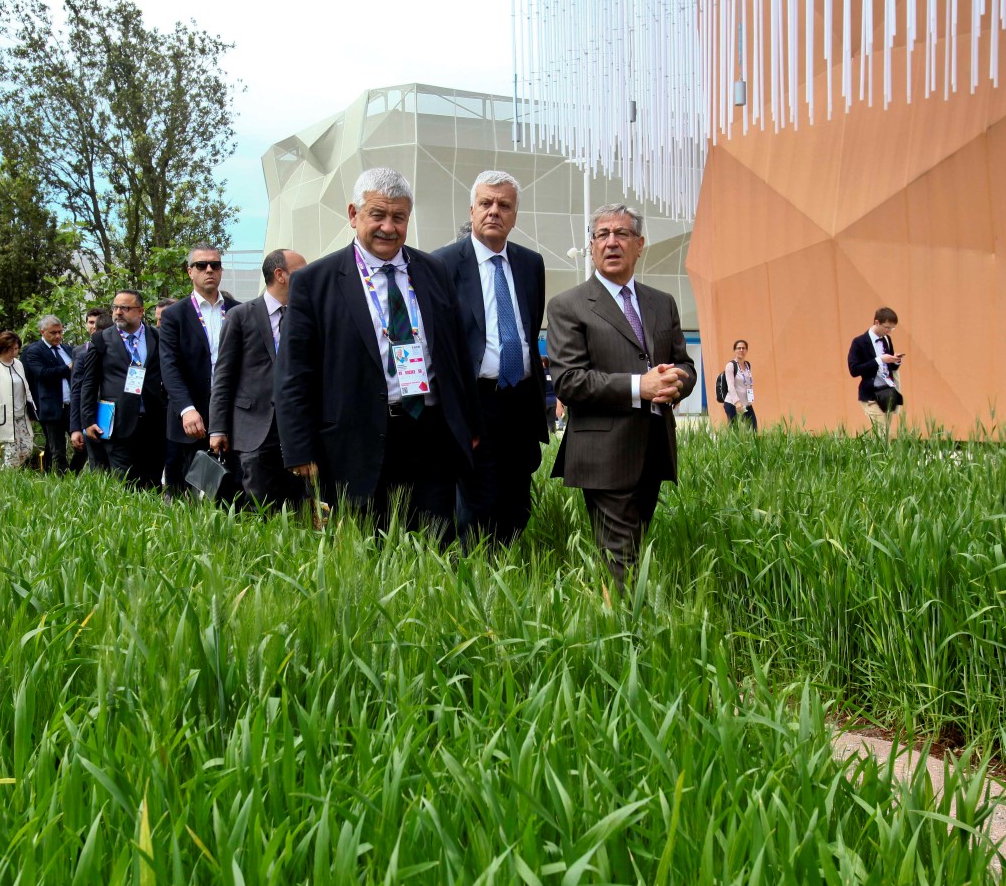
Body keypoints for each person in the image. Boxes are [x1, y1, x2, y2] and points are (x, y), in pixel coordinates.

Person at [276, 167, 480, 538]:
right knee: (367, 550)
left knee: (435, 545)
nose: (389, 226)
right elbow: (294, 374)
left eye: (398, 217)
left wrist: (469, 423)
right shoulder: (315, 282)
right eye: (378, 215)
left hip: (430, 434)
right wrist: (298, 448)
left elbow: (456, 354)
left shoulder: (434, 270)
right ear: (354, 215)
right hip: (355, 440)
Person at [548, 202, 695, 580]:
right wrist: (639, 386)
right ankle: (624, 634)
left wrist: (675, 383)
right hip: (603, 455)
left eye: (622, 234)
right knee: (621, 561)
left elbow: (686, 365)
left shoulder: (662, 303)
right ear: (592, 245)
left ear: (640, 244)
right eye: (603, 235)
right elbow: (569, 381)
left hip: (654, 448)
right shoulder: (569, 306)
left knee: (633, 549)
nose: (611, 242)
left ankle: (623, 623)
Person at [431, 171, 549, 547]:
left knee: (517, 504)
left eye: (504, 205)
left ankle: (511, 579)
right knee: (476, 507)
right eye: (486, 203)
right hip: (474, 403)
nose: (494, 211)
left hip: (521, 400)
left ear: (514, 215)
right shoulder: (442, 264)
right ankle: (475, 585)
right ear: (472, 209)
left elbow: (530, 328)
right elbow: (437, 347)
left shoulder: (531, 264)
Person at [209, 249, 308, 508]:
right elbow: (224, 375)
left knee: (299, 503)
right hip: (255, 427)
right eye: (301, 272)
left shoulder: (306, 315)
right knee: (259, 505)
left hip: (298, 428)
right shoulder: (241, 316)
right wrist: (218, 427)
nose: (308, 277)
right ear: (280, 275)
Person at [161, 244, 240, 498]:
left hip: (232, 417)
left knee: (228, 496)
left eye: (215, 265)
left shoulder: (239, 310)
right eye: (201, 265)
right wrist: (186, 408)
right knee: (183, 496)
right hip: (189, 419)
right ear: (189, 272)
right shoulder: (175, 315)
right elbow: (169, 366)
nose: (209, 270)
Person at [77, 289, 166, 489]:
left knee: (152, 482)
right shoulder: (101, 340)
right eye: (115, 307)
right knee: (125, 484)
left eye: (125, 308)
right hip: (117, 423)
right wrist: (88, 420)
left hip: (153, 422)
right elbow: (89, 383)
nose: (118, 312)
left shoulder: (156, 337)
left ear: (140, 311)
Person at [22, 315, 75, 473]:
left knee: (83, 443)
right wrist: (68, 368)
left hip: (71, 406)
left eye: (60, 332)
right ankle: (61, 480)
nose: (57, 336)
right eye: (53, 333)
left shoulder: (68, 350)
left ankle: (75, 473)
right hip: (51, 407)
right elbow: (42, 374)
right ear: (42, 332)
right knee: (57, 450)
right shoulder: (34, 351)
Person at [0, 330, 37, 470]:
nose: (14, 352)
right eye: (11, 349)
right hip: (5, 415)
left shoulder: (18, 364)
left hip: (21, 414)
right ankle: (7, 479)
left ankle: (4, 474)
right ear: (2, 348)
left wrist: (32, 410)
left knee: (26, 449)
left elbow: (26, 388)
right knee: (12, 452)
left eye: (16, 348)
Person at [69, 307, 113, 472]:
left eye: (97, 323)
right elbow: (77, 391)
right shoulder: (81, 353)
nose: (93, 327)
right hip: (94, 416)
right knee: (99, 466)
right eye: (91, 323)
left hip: (119, 416)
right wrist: (76, 428)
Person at [847, 308, 903, 436]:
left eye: (892, 329)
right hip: (871, 395)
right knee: (883, 433)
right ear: (877, 322)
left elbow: (892, 369)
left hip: (887, 392)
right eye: (887, 327)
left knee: (884, 433)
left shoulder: (886, 340)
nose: (889, 331)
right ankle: (880, 455)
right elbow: (854, 370)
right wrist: (878, 360)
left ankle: (875, 454)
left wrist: (895, 360)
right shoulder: (859, 342)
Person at [722, 339, 756, 430]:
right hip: (733, 403)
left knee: (753, 428)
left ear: (746, 350)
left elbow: (748, 383)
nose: (741, 350)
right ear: (734, 351)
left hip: (746, 404)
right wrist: (737, 402)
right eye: (739, 348)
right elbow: (730, 385)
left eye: (743, 348)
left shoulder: (747, 365)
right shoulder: (731, 365)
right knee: (734, 431)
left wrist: (750, 398)